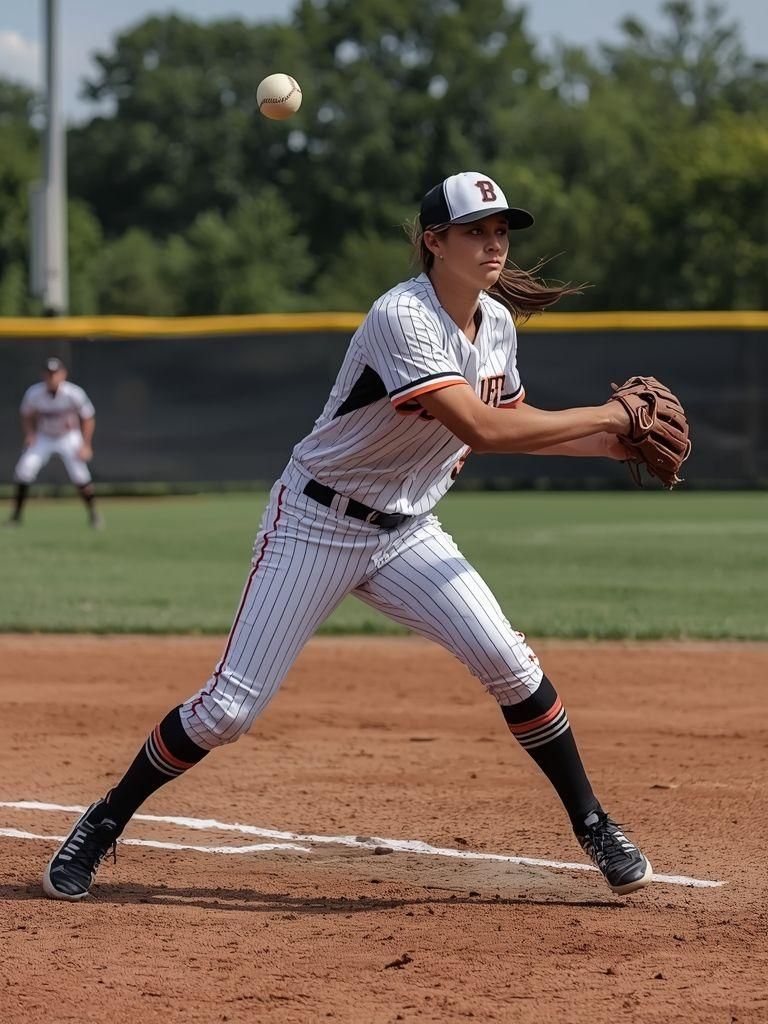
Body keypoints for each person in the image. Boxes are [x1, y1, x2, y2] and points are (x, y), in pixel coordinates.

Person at [42, 171, 653, 902]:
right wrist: (607, 416)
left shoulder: (497, 325)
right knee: (226, 712)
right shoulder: (404, 316)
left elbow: (516, 420)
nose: (495, 243)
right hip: (315, 521)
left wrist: (608, 446)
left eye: (502, 230)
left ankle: (593, 823)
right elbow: (482, 430)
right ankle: (105, 820)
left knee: (512, 667)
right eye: (476, 231)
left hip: (408, 530)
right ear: (435, 243)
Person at [5, 357, 103, 529]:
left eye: (55, 374)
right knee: (24, 469)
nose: (52, 378)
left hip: (68, 436)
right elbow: (26, 415)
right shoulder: (34, 393)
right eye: (49, 374)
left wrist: (86, 444)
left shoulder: (74, 393)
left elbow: (88, 417)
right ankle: (16, 517)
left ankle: (94, 515)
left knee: (80, 475)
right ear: (43, 375)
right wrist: (30, 433)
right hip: (44, 436)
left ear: (63, 374)